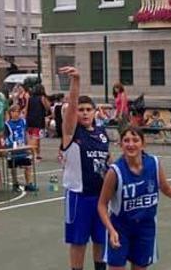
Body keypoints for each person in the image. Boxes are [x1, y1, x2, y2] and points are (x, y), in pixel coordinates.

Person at [97, 127, 171, 269]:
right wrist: (111, 230)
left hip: (145, 227)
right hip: (120, 228)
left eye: (135, 140)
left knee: (141, 266)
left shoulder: (153, 163)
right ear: (120, 144)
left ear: (143, 144)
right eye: (126, 141)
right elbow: (102, 204)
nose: (131, 144)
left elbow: (165, 188)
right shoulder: (115, 172)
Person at [58, 67, 110, 270]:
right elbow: (71, 108)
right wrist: (76, 81)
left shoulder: (102, 133)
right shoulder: (72, 132)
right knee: (79, 241)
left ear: (95, 112)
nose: (85, 113)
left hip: (100, 196)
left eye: (89, 109)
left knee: (100, 238)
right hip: (79, 196)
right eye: (81, 109)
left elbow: (107, 160)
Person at [4, 104, 36, 191]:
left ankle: (28, 183)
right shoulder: (7, 124)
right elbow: (6, 137)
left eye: (18, 111)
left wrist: (28, 145)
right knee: (13, 167)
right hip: (13, 148)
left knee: (28, 166)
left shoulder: (23, 122)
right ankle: (15, 183)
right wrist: (9, 146)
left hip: (23, 147)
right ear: (10, 113)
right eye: (14, 111)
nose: (16, 113)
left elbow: (26, 134)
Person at [26, 83, 51, 160]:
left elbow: (26, 109)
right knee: (36, 137)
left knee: (33, 137)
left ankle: (38, 153)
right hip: (38, 119)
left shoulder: (30, 98)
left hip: (30, 119)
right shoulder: (42, 98)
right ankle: (34, 154)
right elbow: (47, 107)